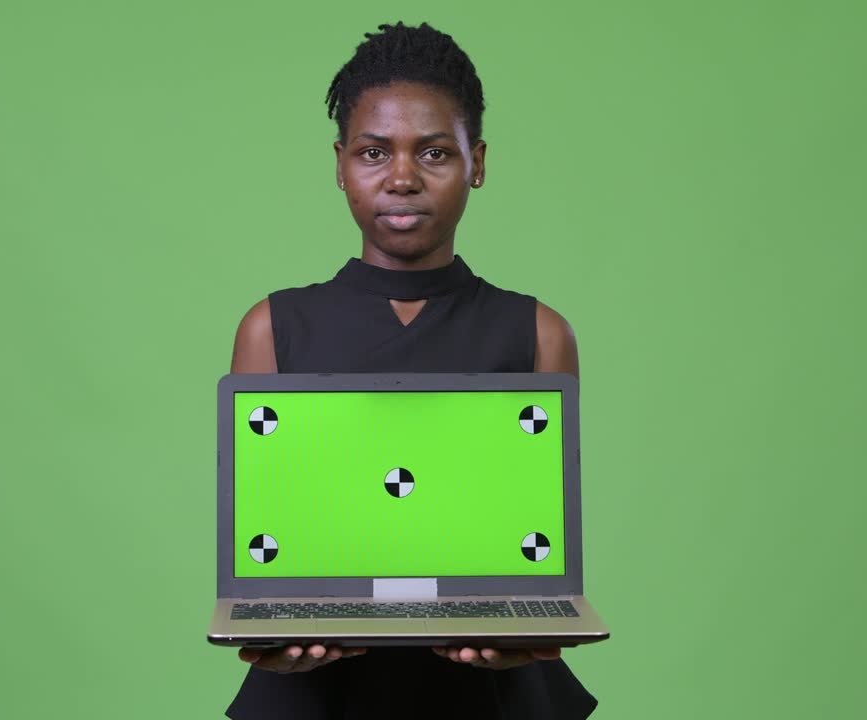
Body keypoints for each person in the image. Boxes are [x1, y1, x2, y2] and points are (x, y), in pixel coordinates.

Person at [224, 21, 597, 720]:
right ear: (340, 165)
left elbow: (540, 543)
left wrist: (529, 635)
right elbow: (263, 545)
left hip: (490, 695)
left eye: (433, 152)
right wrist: (270, 627)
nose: (402, 177)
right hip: (318, 694)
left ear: (476, 162)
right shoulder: (272, 328)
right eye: (374, 152)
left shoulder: (539, 332)